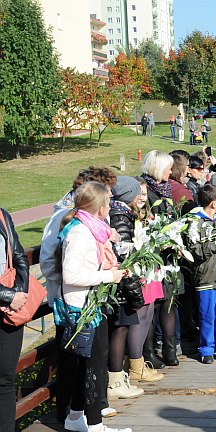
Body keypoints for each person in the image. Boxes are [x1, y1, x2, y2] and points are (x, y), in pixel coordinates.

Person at [55, 181, 130, 432]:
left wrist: (110, 270)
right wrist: (108, 277)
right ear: (100, 208)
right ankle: (96, 426)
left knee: (84, 365)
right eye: (108, 204)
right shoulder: (80, 233)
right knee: (92, 366)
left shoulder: (90, 229)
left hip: (90, 305)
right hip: (81, 309)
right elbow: (71, 275)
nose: (110, 208)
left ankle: (75, 418)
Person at [108, 177, 163, 397]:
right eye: (137, 193)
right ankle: (121, 377)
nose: (141, 197)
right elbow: (123, 250)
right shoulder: (121, 216)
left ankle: (131, 369)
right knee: (124, 327)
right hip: (125, 279)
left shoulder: (126, 214)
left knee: (140, 318)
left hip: (132, 274)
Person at [141, 151, 179, 367]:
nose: (171, 172)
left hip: (169, 256)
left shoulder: (166, 191)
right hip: (154, 257)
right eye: (167, 168)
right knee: (153, 306)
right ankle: (149, 352)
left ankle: (170, 349)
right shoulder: (147, 193)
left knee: (169, 303)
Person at [186, 184, 216, 365]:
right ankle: (206, 349)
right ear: (213, 203)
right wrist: (215, 245)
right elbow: (193, 251)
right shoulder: (195, 222)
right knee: (207, 314)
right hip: (205, 276)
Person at [0, 209, 29, 431]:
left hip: (9, 313)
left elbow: (19, 255)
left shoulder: (2, 215)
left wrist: (20, 292)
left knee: (6, 380)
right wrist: (8, 296)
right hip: (7, 300)